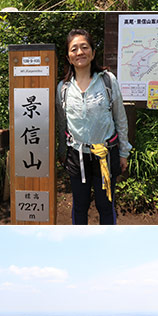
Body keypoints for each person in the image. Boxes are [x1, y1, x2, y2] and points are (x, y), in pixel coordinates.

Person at [56, 27, 131, 225]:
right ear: (68, 57)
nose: (79, 52)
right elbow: (62, 123)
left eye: (84, 47)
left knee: (105, 204)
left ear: (93, 52)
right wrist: (62, 152)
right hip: (76, 155)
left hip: (105, 153)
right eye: (74, 49)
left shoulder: (107, 80)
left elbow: (120, 118)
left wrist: (124, 152)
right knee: (79, 205)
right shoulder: (63, 88)